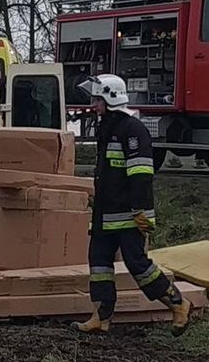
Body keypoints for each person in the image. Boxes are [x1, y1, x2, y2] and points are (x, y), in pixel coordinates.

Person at [71, 74, 192, 335]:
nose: (94, 105)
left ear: (110, 98)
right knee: (99, 263)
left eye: (97, 99)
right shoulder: (108, 128)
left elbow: (140, 175)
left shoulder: (132, 130)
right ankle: (102, 316)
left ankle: (178, 303)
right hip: (105, 214)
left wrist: (141, 211)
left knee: (138, 264)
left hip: (128, 214)